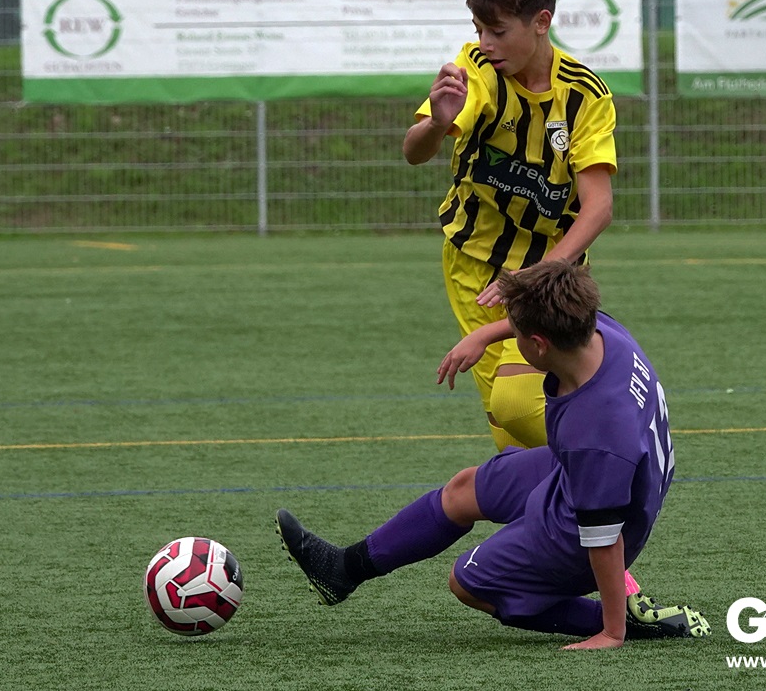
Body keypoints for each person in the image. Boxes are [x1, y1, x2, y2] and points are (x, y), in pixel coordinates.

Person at [276, 261, 711, 650]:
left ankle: (620, 623)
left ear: (539, 345)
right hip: (585, 473)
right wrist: (484, 334)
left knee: (468, 581)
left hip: (587, 526)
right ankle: (343, 570)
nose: (511, 338)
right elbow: (543, 326)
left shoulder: (595, 432)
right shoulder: (600, 332)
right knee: (463, 488)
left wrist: (611, 632)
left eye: (515, 334)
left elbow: (603, 539)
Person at [403, 0, 617, 453]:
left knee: (519, 407)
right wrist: (435, 122)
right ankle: (580, 486)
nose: (485, 43)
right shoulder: (476, 68)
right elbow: (414, 152)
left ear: (541, 22)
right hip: (473, 271)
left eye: (498, 31)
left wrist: (537, 276)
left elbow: (599, 207)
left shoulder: (584, 95)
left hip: (551, 275)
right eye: (479, 29)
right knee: (512, 436)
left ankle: (621, 438)